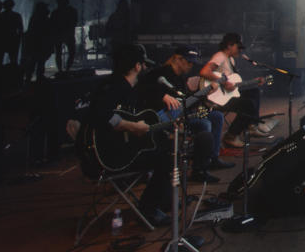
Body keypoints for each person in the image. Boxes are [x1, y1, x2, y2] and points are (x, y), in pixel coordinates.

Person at [88, 43, 174, 225]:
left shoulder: (125, 87)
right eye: (143, 64)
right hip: (109, 157)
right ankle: (148, 210)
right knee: (166, 159)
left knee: (163, 145)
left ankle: (163, 201)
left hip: (116, 150)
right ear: (137, 66)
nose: (145, 68)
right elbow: (101, 114)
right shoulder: (114, 87)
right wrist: (132, 127)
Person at [141, 46, 230, 183]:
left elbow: (186, 102)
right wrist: (162, 96)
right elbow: (142, 89)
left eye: (193, 63)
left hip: (181, 115)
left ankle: (212, 158)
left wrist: (205, 96)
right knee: (204, 124)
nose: (191, 65)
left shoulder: (181, 78)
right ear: (178, 59)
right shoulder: (158, 73)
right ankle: (199, 170)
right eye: (189, 62)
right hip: (161, 119)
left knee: (216, 116)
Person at [199, 33, 270, 148]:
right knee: (247, 105)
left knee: (254, 91)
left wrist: (254, 81)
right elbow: (204, 72)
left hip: (227, 95)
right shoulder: (220, 56)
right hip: (216, 99)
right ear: (229, 45)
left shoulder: (231, 59)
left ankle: (252, 125)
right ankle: (231, 136)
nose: (240, 50)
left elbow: (233, 82)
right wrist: (223, 82)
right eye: (238, 47)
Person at [51, 0, 78, 72]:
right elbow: (74, 22)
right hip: (67, 34)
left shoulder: (55, 12)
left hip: (60, 35)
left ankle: (61, 70)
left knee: (59, 53)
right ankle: (66, 69)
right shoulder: (72, 11)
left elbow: (52, 24)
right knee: (71, 53)